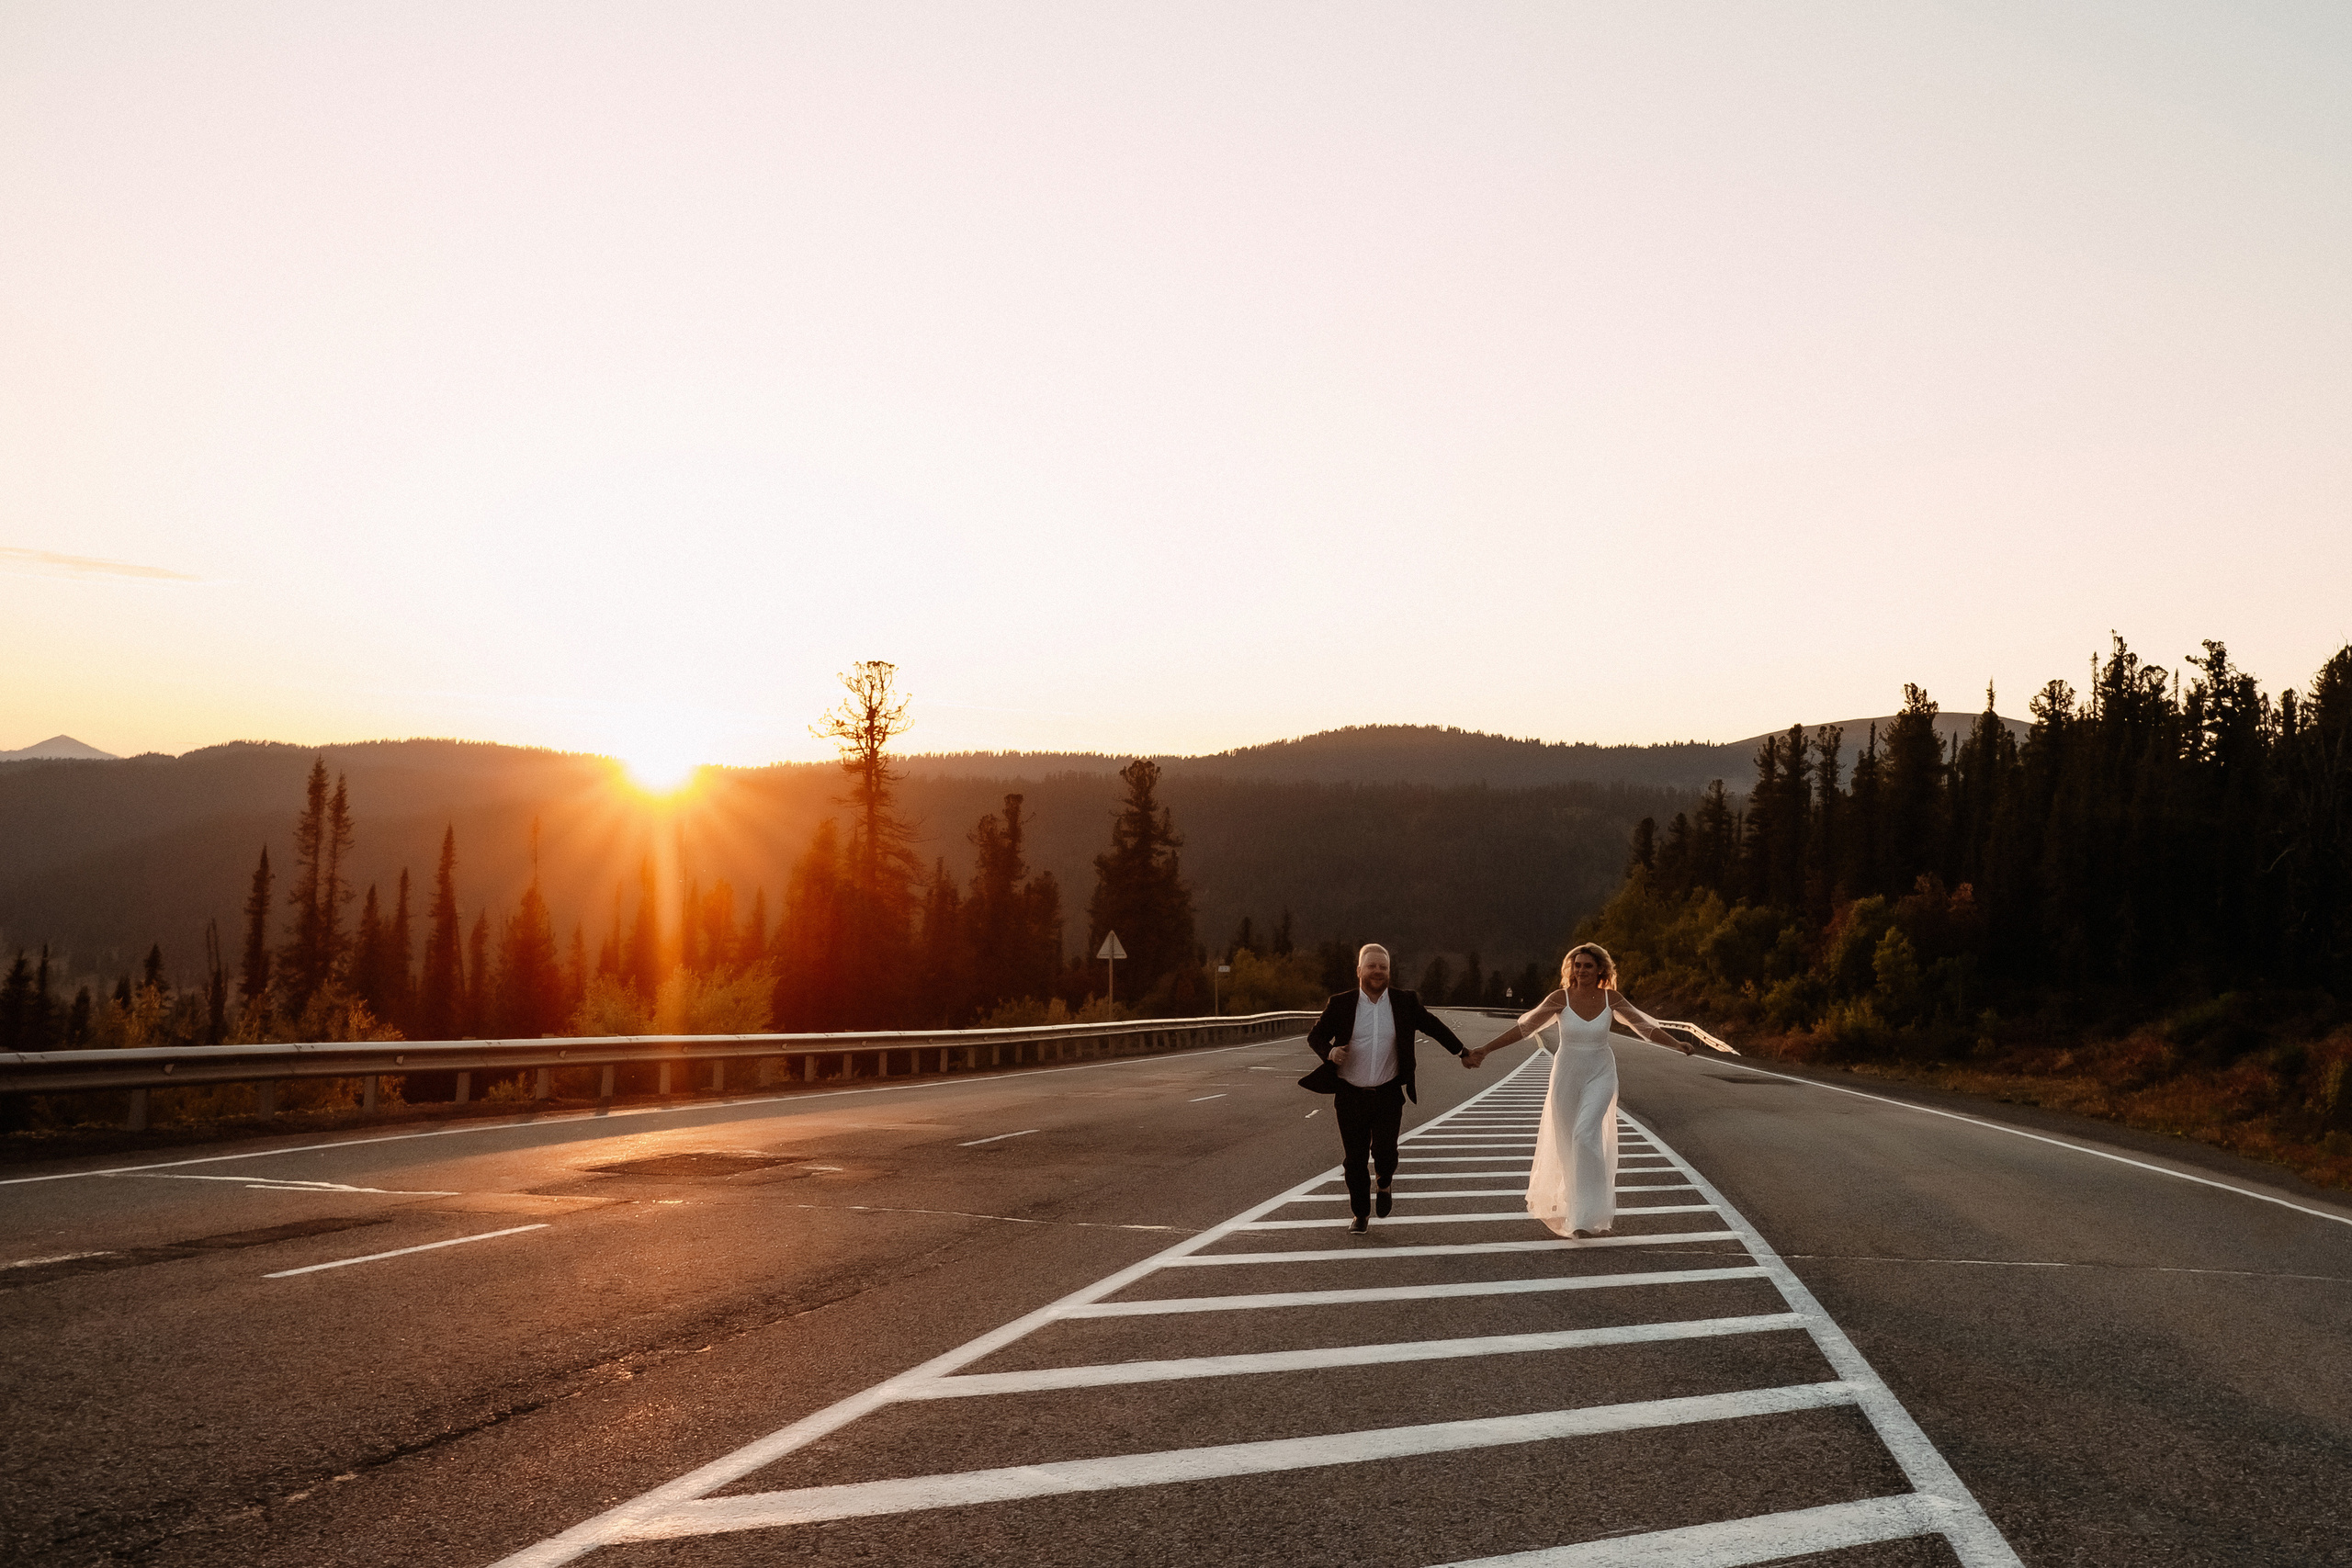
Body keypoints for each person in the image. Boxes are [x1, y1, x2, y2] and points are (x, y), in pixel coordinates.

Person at [1464, 942, 1694, 1238]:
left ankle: (1591, 1212)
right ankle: (1579, 1214)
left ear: (1600, 969)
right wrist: (1486, 1048)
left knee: (1585, 1134)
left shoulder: (1612, 999)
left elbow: (1643, 1027)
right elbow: (1524, 1029)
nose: (1581, 970)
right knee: (1567, 1143)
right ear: (1571, 969)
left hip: (1601, 1073)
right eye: (1577, 965)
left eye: (1588, 965)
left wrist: (1675, 1044)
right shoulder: (1560, 998)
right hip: (1566, 1075)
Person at [1305, 943, 1472, 1234]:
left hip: (1388, 1094)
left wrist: (1462, 1052)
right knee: (1354, 1160)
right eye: (1372, 966)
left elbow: (1433, 1026)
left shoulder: (1404, 1002)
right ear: (1359, 970)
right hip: (1350, 1095)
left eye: (1383, 966)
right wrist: (1330, 1053)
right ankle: (1360, 1214)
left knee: (1386, 1152)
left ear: (1389, 971)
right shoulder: (1341, 1004)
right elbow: (1316, 1036)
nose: (1378, 971)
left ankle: (1384, 1181)